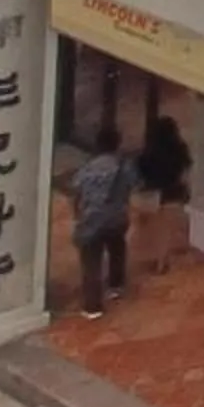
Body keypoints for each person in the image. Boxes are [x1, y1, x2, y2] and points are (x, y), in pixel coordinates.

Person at [70, 125, 138, 319]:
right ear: (117, 144)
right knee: (117, 248)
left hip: (92, 219)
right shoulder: (124, 166)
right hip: (117, 217)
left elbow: (76, 192)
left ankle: (93, 306)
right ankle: (116, 285)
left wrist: (78, 215)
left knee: (91, 262)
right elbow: (133, 185)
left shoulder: (87, 168)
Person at [134, 116, 193, 273]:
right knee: (165, 231)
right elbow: (185, 170)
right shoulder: (180, 149)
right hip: (173, 193)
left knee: (149, 227)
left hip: (151, 194)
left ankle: (147, 258)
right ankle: (162, 261)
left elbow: (139, 174)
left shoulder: (148, 153)